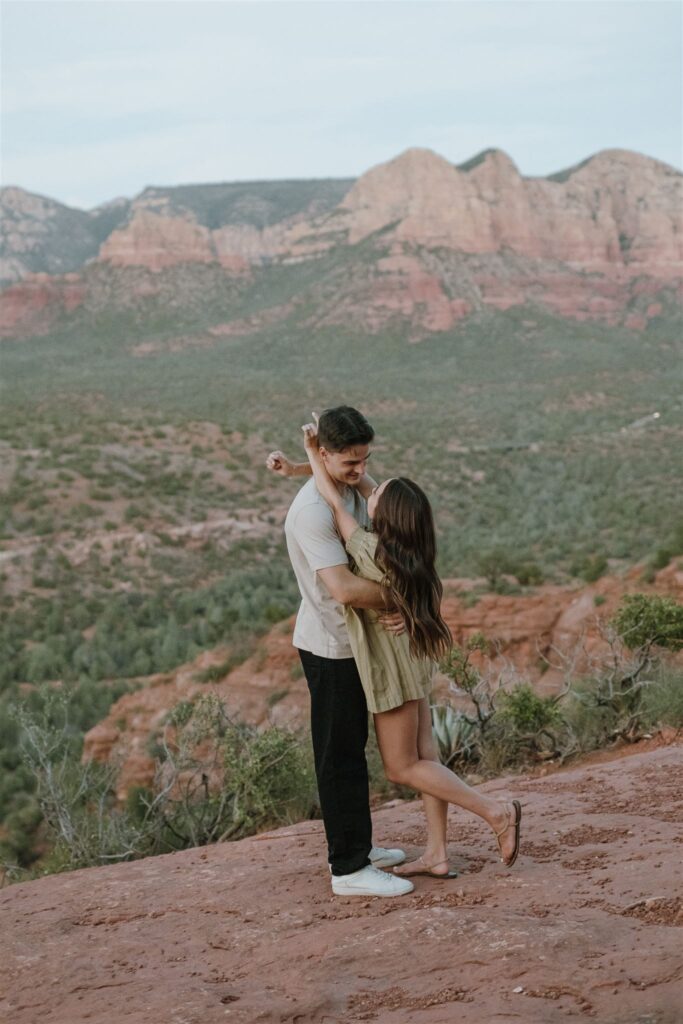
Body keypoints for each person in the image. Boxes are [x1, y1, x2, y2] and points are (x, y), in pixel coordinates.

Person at [297, 414, 522, 878]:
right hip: (414, 655)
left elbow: (341, 506)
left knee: (401, 767)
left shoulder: (368, 549)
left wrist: (312, 454)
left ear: (384, 515)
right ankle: (437, 854)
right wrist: (307, 462)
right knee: (427, 757)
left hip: (391, 666)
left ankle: (495, 812)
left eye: (376, 491)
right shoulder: (409, 552)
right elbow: (357, 489)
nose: (368, 486)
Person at [267, 406, 415, 897]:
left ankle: (362, 846)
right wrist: (405, 599)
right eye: (350, 464)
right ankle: (348, 869)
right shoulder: (311, 513)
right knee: (338, 754)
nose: (361, 472)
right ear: (326, 455)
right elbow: (346, 590)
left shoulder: (344, 482)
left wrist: (306, 462)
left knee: (354, 748)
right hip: (331, 646)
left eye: (364, 460)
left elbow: (361, 488)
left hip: (356, 641)